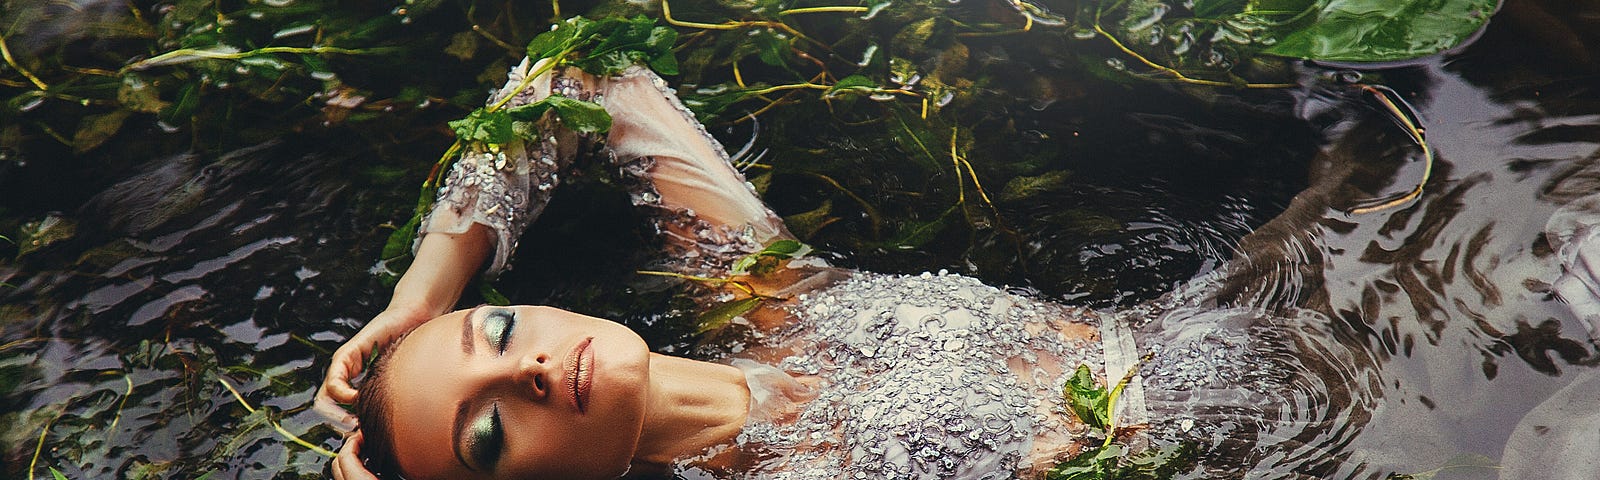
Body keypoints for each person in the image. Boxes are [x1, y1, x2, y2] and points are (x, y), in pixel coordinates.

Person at [316, 56, 1365, 479]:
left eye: (496, 334)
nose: (528, 370)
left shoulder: (761, 292)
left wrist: (423, 296)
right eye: (489, 431)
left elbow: (588, 78)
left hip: (1304, 287)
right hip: (1339, 448)